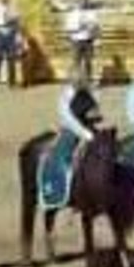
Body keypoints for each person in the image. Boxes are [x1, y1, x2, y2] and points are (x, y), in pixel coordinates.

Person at [39, 77, 103, 210]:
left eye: (82, 81)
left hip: (88, 127)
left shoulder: (90, 93)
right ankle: (64, 192)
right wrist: (87, 134)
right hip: (72, 130)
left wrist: (93, 117)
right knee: (63, 158)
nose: (80, 83)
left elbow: (96, 113)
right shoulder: (66, 96)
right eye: (77, 81)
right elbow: (69, 120)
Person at [63, 0, 99, 83]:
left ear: (86, 1)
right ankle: (76, 82)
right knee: (76, 63)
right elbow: (69, 27)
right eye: (80, 1)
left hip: (88, 40)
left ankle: (88, 81)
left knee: (88, 62)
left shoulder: (91, 13)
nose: (82, 3)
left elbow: (96, 26)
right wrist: (80, 26)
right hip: (76, 41)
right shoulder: (72, 13)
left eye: (84, 1)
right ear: (77, 2)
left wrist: (92, 28)